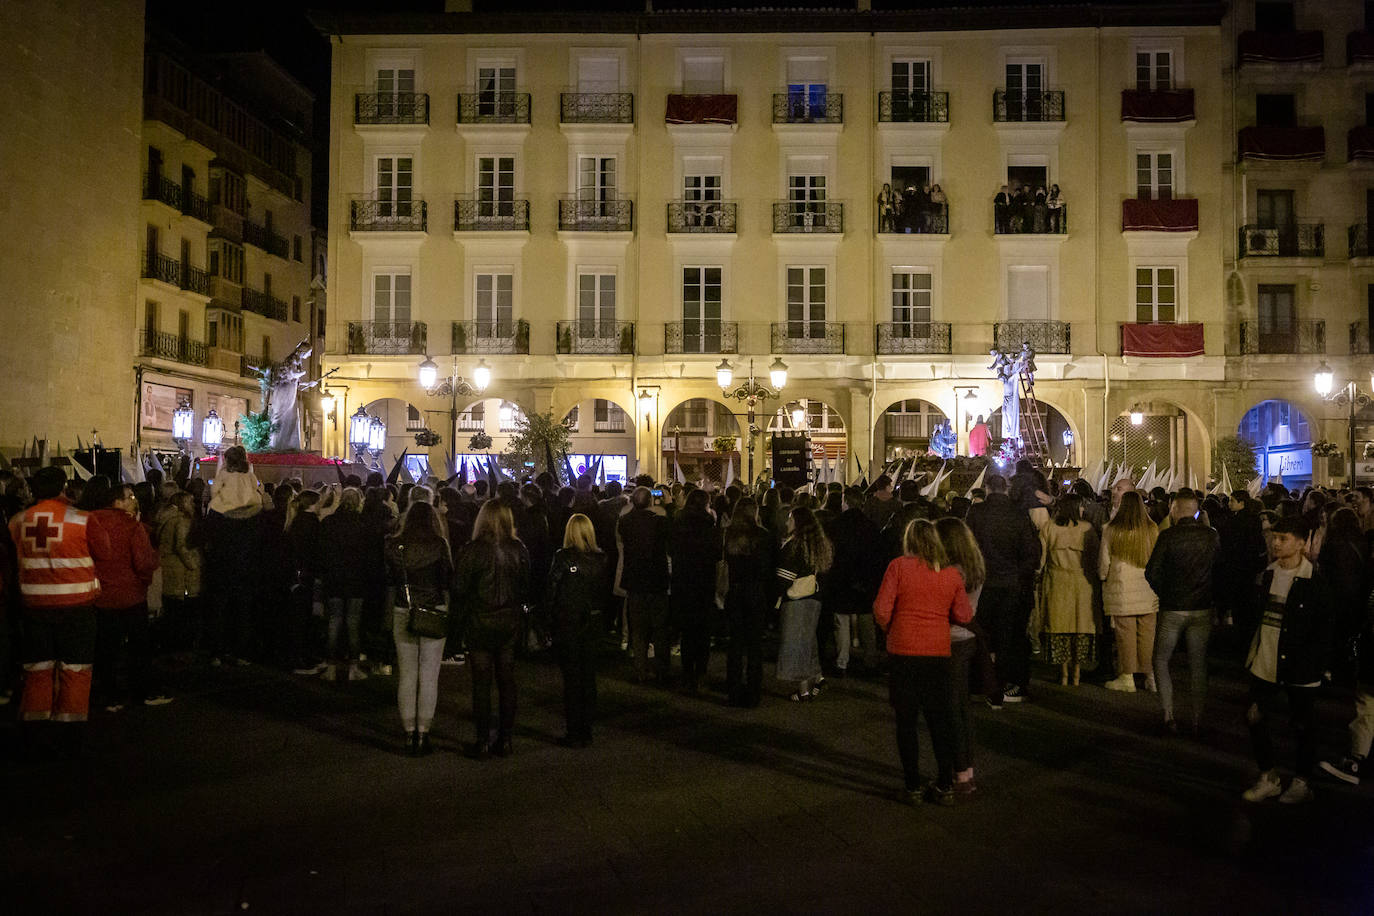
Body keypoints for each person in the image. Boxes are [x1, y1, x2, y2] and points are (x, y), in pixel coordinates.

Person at [874, 519, 975, 806]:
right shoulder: (951, 575)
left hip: (903, 651)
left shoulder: (898, 567)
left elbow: (881, 609)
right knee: (938, 720)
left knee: (905, 721)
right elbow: (965, 615)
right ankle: (944, 784)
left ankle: (912, 785)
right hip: (937, 652)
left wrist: (892, 627)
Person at [1241, 517, 1334, 804]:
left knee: (1303, 724)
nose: (1276, 543)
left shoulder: (1313, 581)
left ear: (1301, 543)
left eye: (1283, 538)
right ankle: (1268, 775)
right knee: (1255, 716)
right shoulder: (1266, 575)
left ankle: (1301, 781)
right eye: (1274, 537)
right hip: (1265, 659)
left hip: (1300, 664)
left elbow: (1325, 627)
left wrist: (1319, 662)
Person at [11, 466, 101, 752]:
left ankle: (35, 730)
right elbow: (105, 552)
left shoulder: (17, 521)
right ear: (63, 487)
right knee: (75, 667)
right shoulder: (82, 520)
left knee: (38, 669)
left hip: (35, 607)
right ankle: (71, 732)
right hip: (77, 607)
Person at [455, 501, 531, 759]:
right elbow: (526, 585)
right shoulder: (518, 549)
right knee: (507, 681)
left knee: (481, 682)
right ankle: (506, 739)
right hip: (509, 621)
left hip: (479, 621)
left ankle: (482, 740)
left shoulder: (472, 550)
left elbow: (460, 588)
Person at [1145, 489, 1219, 735]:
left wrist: (1166, 593)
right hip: (1202, 607)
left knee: (1161, 659)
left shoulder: (1168, 536)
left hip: (1173, 607)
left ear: (1175, 510)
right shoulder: (1211, 536)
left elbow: (1152, 572)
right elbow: (1221, 570)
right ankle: (1198, 718)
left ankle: (1169, 715)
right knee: (1198, 664)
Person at [966, 474, 1041, 705]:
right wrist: (1019, 575)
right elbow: (1031, 553)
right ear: (1005, 489)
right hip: (1011, 584)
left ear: (987, 489)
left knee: (983, 635)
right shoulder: (1019, 515)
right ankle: (1008, 681)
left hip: (983, 583)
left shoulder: (976, 514)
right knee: (1010, 635)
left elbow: (967, 547)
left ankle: (982, 681)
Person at [88, 483, 164, 710]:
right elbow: (143, 562)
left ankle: (109, 695)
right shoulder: (132, 526)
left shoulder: (88, 522)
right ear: (116, 502)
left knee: (106, 648)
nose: (134, 499)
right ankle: (141, 692)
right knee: (138, 648)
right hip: (130, 596)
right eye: (129, 496)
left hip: (99, 595)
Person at [386, 501, 452, 757]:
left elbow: (389, 579)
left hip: (404, 609)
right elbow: (446, 580)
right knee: (429, 676)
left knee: (408, 674)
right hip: (433, 610)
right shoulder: (439, 545)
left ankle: (408, 731)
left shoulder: (394, 546)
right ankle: (423, 733)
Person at [547, 513, 609, 747]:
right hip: (592, 621)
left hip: (569, 622)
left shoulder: (563, 557)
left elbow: (552, 590)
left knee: (572, 678)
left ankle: (575, 730)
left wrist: (550, 620)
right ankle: (587, 727)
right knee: (588, 676)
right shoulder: (601, 558)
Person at [934, 516, 986, 795]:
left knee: (950, 708)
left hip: (950, 638)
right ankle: (967, 769)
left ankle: (960, 774)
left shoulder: (952, 572)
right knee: (962, 707)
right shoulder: (975, 566)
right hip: (967, 639)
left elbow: (949, 608)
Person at [203, 446, 264, 666]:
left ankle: (217, 652)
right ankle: (241, 651)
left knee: (219, 607)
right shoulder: (252, 489)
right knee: (243, 608)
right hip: (246, 563)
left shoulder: (218, 503)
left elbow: (209, 536)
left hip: (222, 564)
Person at [1099, 491, 1159, 693]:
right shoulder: (1151, 529)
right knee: (1147, 635)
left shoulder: (1111, 530)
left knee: (1126, 636)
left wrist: (1102, 577)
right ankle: (1150, 675)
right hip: (1147, 589)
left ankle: (1127, 676)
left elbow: (1104, 562)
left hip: (1121, 588)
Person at [1040, 495, 1098, 686]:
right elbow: (1094, 559)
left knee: (1060, 629)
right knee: (1079, 629)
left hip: (1057, 583)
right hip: (1081, 585)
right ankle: (1077, 674)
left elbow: (1041, 559)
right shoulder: (1087, 529)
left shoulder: (1049, 527)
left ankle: (1064, 674)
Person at [776, 506, 832, 702]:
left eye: (790, 520)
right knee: (808, 640)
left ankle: (803, 690)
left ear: (798, 524)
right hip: (815, 599)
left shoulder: (794, 546)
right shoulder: (817, 545)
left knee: (797, 643)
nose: (786, 523)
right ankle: (816, 677)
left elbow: (783, 579)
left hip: (797, 600)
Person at [669, 488, 721, 694]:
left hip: (683, 583)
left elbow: (671, 551)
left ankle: (687, 673)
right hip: (704, 585)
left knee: (688, 632)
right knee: (702, 632)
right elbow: (717, 556)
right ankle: (701, 673)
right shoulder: (710, 528)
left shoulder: (677, 526)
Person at [722, 498, 774, 707]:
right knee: (754, 646)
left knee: (735, 643)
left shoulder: (729, 535)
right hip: (756, 593)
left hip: (734, 592)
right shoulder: (764, 536)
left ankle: (733, 690)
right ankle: (753, 692)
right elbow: (769, 569)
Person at [618, 486, 672, 684]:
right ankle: (661, 670)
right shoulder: (660, 522)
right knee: (659, 628)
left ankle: (640, 670)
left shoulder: (625, 522)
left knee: (638, 630)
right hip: (657, 581)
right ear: (650, 501)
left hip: (635, 582)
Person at [317, 487, 370, 682]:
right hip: (356, 580)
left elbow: (322, 552)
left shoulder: (329, 523)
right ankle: (353, 667)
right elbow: (368, 556)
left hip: (334, 578)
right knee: (353, 623)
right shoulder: (363, 524)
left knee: (334, 621)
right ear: (358, 502)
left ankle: (331, 666)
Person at [156, 490, 202, 660]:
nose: (193, 505)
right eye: (190, 502)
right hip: (182, 574)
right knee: (182, 614)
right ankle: (180, 648)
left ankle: (169, 645)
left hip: (170, 569)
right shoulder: (182, 520)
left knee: (171, 612)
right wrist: (194, 564)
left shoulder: (165, 518)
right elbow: (182, 546)